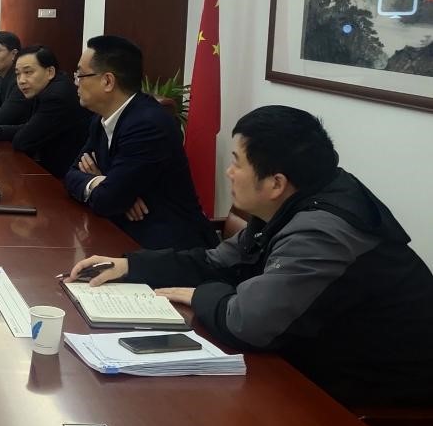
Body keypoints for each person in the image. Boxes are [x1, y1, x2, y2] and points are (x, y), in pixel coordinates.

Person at [67, 105, 433, 409]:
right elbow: (217, 261)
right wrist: (130, 265)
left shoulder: (322, 232)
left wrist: (198, 294)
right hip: (314, 366)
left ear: (275, 183)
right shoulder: (295, 200)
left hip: (376, 405)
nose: (229, 172)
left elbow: (248, 323)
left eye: (237, 162)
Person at [63, 35, 215, 249]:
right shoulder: (100, 119)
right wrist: (103, 182)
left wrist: (114, 192)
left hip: (168, 248)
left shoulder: (147, 124)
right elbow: (71, 175)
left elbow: (108, 200)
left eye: (80, 75)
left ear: (108, 81)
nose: (76, 82)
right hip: (125, 233)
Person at [0, 45, 91, 178]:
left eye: (28, 72)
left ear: (50, 72)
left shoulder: (56, 97)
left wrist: (2, 131)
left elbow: (23, 140)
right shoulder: (48, 88)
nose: (21, 81)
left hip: (65, 177)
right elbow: (30, 127)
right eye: (18, 74)